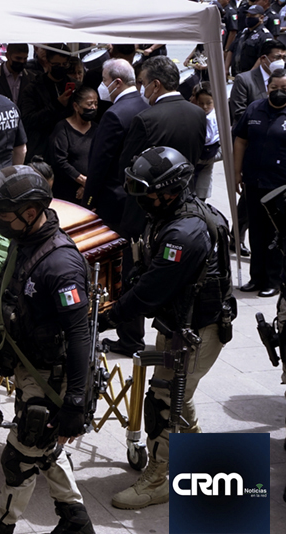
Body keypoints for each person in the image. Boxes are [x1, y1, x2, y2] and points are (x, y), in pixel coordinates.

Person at [100, 146, 233, 510]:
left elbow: (150, 291)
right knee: (178, 393)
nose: (142, 198)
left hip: (194, 332)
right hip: (180, 323)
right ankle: (194, 455)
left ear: (170, 190)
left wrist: (109, 318)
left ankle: (160, 479)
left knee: (163, 400)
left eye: (148, 191)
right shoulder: (171, 213)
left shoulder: (184, 232)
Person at [0, 165, 95, 534]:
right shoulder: (27, 242)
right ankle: (77, 523)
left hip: (51, 378)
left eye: (3, 216)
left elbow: (79, 335)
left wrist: (75, 400)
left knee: (19, 457)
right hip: (31, 369)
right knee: (45, 450)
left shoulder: (61, 264)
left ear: (29, 212)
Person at [119, 56, 207, 246]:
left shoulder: (145, 119)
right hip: (183, 205)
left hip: (147, 212)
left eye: (143, 83)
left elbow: (127, 169)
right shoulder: (198, 114)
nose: (141, 89)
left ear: (156, 85)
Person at [234, 68, 286, 296]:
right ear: (267, 88)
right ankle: (256, 277)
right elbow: (241, 140)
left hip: (280, 186)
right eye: (274, 88)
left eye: (284, 89)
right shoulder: (254, 109)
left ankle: (273, 281)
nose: (278, 92)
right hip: (254, 182)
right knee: (256, 231)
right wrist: (237, 172)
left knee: (276, 235)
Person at [84, 58, 149, 229]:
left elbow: (100, 162)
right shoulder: (145, 106)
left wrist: (89, 200)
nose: (102, 85)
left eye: (105, 80)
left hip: (113, 199)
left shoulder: (114, 114)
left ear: (117, 82)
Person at [19, 44, 75, 161]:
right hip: (42, 149)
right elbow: (29, 120)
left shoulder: (76, 87)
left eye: (64, 64)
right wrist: (57, 105)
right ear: (47, 63)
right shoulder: (33, 88)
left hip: (70, 149)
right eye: (56, 65)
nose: (61, 67)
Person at [48, 86, 98, 204]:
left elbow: (102, 158)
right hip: (66, 191)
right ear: (76, 106)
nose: (93, 108)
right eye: (89, 104)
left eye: (96, 104)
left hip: (90, 190)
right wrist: (81, 179)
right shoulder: (63, 129)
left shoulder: (97, 129)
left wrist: (88, 185)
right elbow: (59, 161)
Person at [230, 39, 286, 122]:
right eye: (277, 57)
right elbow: (239, 113)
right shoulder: (244, 80)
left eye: (284, 58)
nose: (281, 61)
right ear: (263, 58)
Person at [191, 83, 222, 202]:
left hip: (208, 154)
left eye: (208, 103)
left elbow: (209, 138)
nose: (205, 106)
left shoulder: (214, 117)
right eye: (201, 103)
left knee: (201, 192)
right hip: (198, 155)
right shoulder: (197, 115)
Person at [227, 4, 275, 74]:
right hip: (237, 74)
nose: (249, 18)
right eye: (247, 16)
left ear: (261, 18)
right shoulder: (243, 33)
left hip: (253, 76)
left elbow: (263, 57)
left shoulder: (265, 35)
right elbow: (231, 50)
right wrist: (226, 69)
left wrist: (250, 75)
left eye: (252, 16)